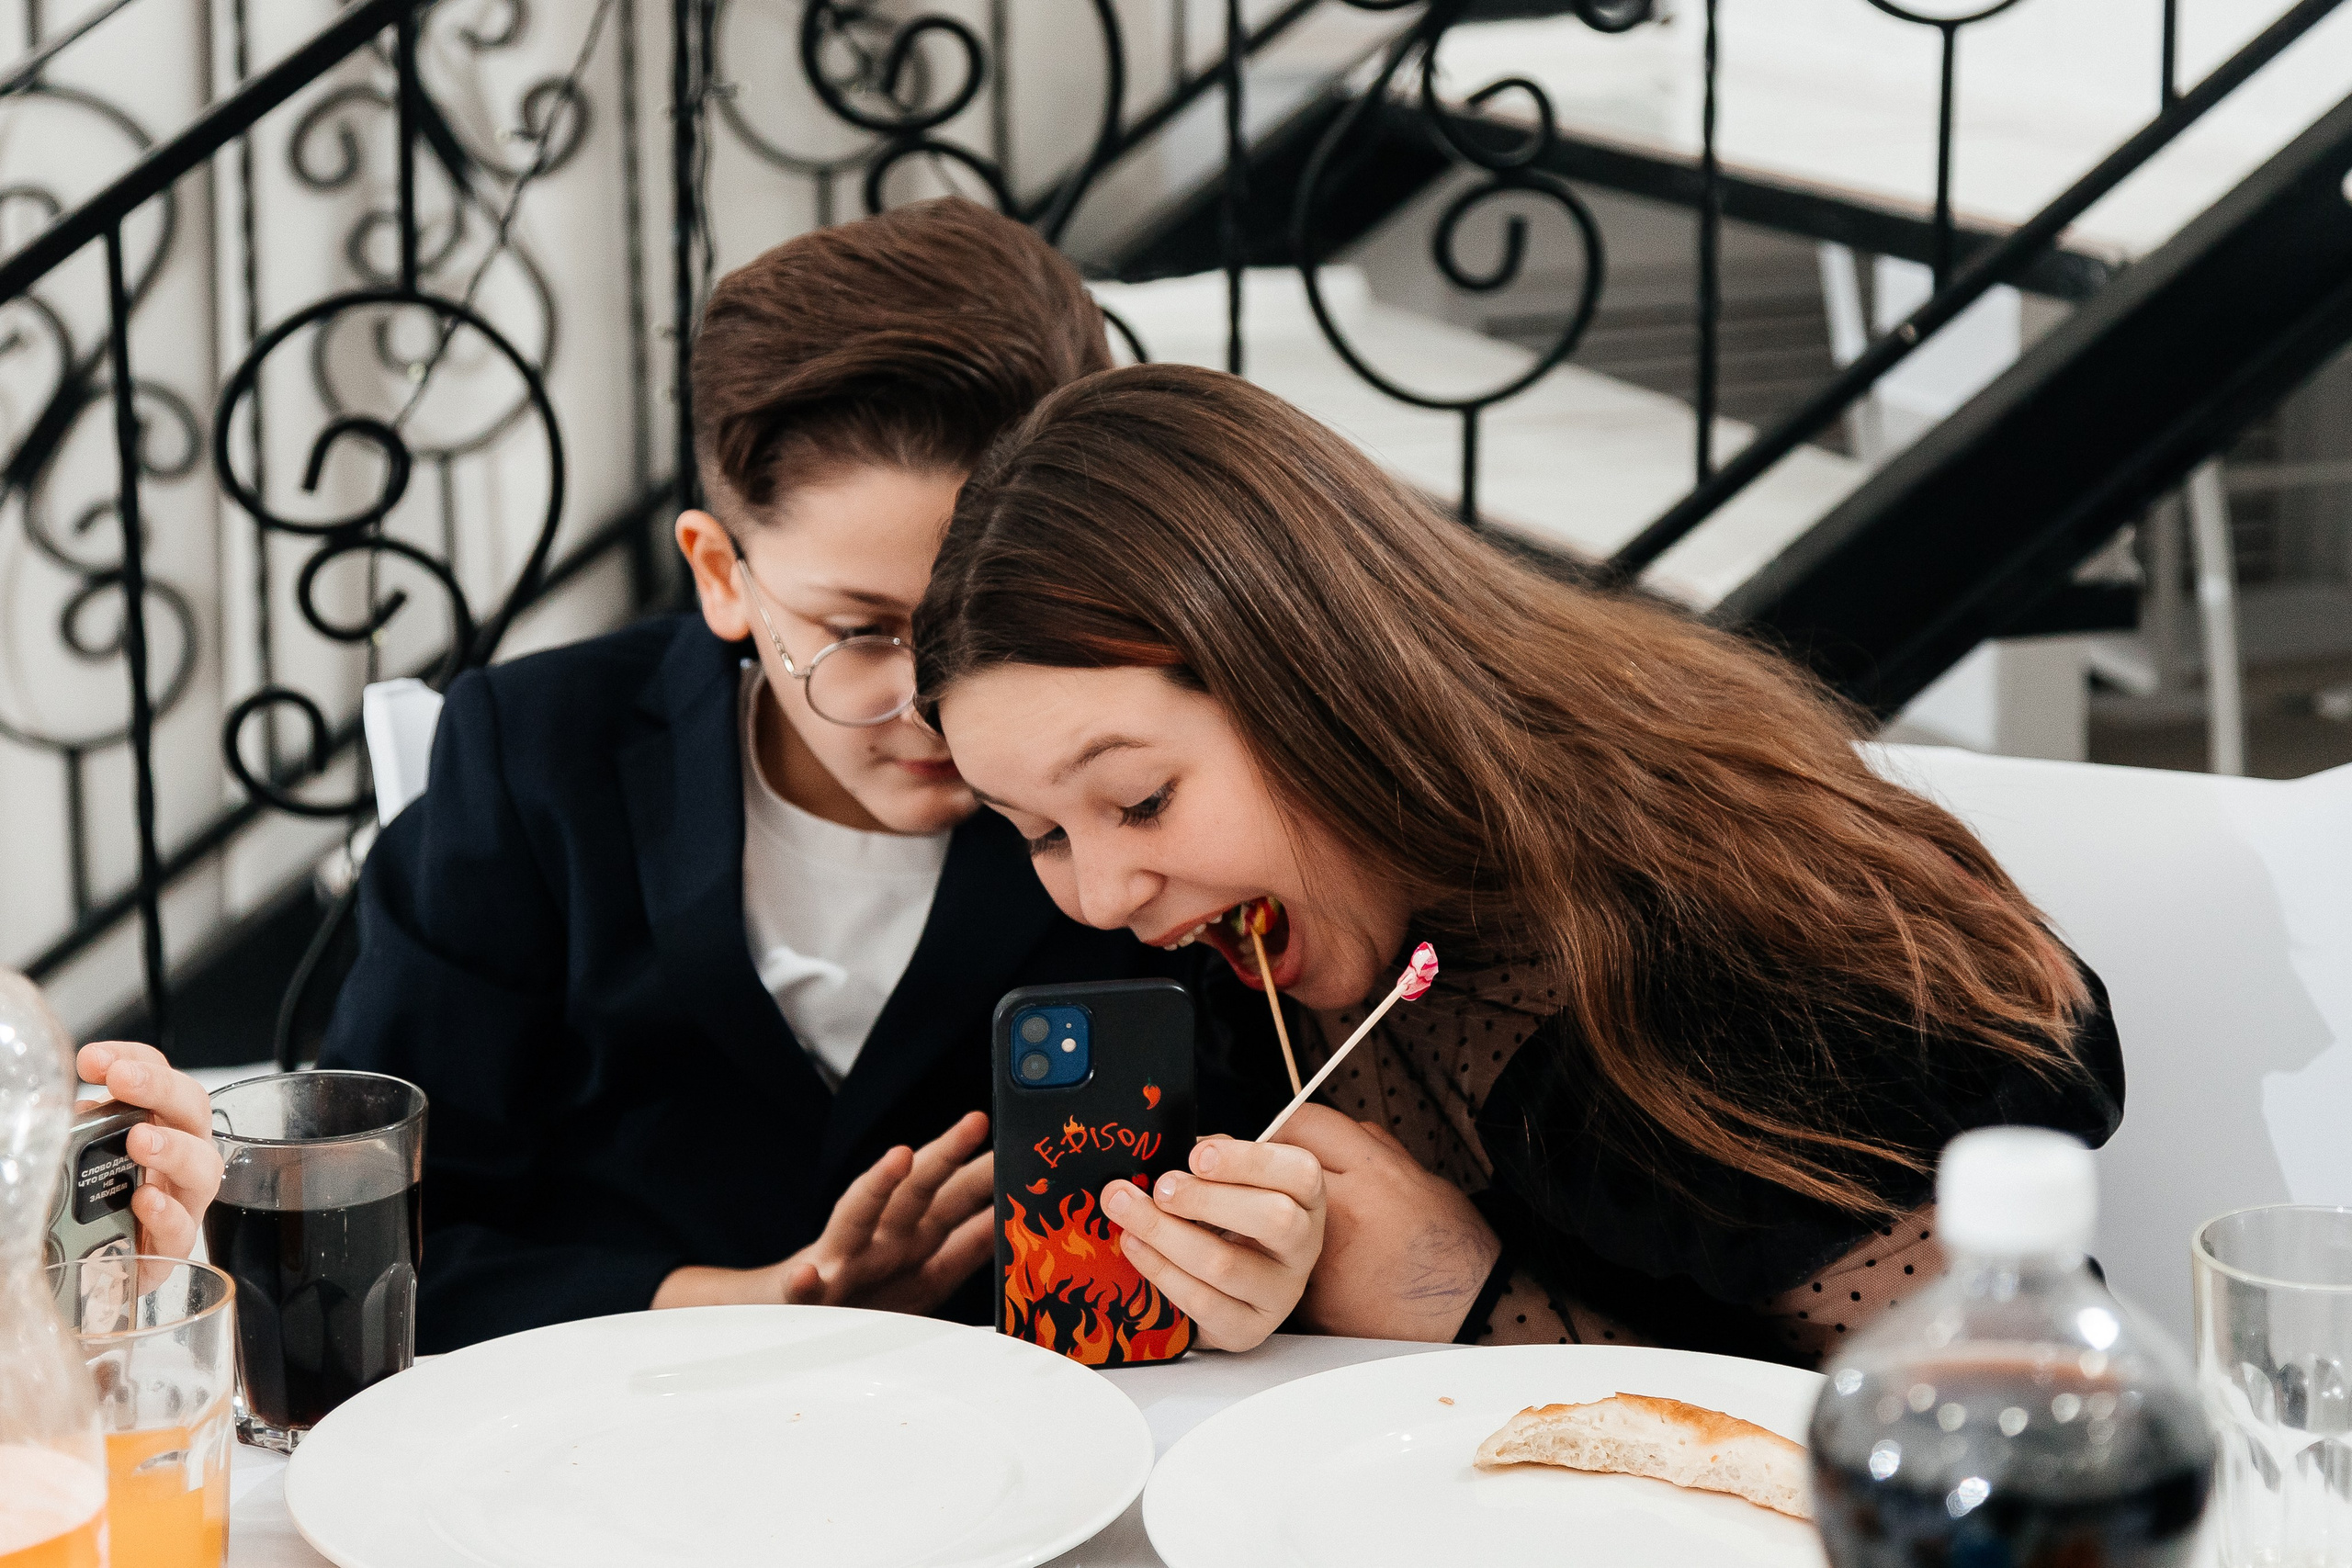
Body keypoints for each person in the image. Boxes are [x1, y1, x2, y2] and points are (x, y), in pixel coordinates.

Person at [912, 362, 2125, 1366]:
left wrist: (1465, 1299)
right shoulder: (1258, 951)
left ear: (1317, 682)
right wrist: (1254, 1288)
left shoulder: (1734, 953)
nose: (1106, 894)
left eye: (1140, 798)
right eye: (1041, 831)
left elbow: (2004, 1426)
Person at [320, 200, 1284, 1351]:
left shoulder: (1161, 787)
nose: (931, 699)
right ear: (722, 574)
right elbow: (367, 1237)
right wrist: (765, 1302)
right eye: (860, 630)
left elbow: (1262, 1140)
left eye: (991, 621)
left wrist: (1258, 1263)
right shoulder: (533, 760)